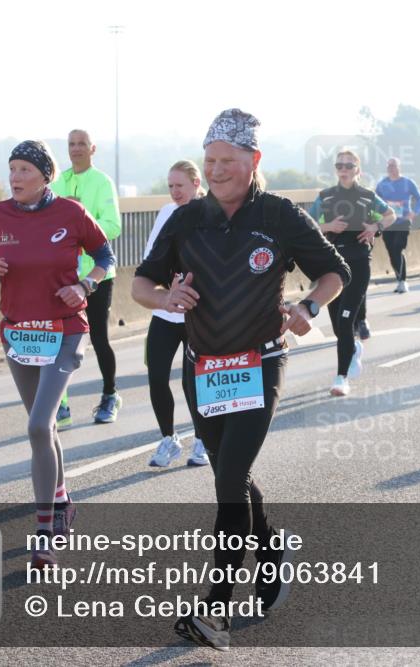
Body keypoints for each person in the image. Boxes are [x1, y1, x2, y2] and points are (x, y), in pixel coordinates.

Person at [132, 109, 349, 650]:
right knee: (231, 475)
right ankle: (270, 549)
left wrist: (309, 306)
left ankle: (215, 608)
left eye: (228, 160)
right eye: (210, 160)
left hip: (260, 362)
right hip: (203, 368)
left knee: (229, 480)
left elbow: (335, 271)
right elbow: (140, 283)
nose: (218, 169)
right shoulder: (187, 219)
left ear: (254, 162)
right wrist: (165, 298)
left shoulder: (279, 215)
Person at [0, 140, 115, 567]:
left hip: (64, 330)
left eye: (25, 169)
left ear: (46, 175)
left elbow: (105, 256)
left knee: (37, 425)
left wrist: (84, 286)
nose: (15, 177)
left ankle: (45, 532)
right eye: (12, 169)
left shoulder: (70, 213)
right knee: (44, 430)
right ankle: (63, 502)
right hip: (18, 335)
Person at [49, 129, 123, 426]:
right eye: (71, 144)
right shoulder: (56, 181)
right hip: (61, 277)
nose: (76, 149)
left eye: (82, 144)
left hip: (96, 275)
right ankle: (60, 403)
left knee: (98, 337)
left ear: (92, 149)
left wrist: (80, 227)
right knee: (57, 340)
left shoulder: (102, 182)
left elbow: (113, 225)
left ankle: (110, 395)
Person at [310, 150, 395, 397]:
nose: (343, 169)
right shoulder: (325, 197)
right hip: (332, 265)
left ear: (358, 170)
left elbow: (391, 215)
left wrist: (375, 227)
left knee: (347, 320)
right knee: (338, 326)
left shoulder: (368, 197)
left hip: (358, 263)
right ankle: (353, 347)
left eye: (349, 165)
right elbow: (308, 223)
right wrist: (328, 226)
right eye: (339, 165)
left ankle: (341, 378)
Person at [145, 161, 209, 467]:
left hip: (197, 313)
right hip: (166, 311)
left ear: (197, 183)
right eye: (170, 186)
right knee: (156, 376)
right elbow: (150, 257)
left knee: (191, 382)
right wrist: (166, 282)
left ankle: (202, 440)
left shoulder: (211, 212)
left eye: (180, 186)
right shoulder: (166, 212)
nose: (174, 192)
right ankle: (168, 439)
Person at [375, 157, 420, 293]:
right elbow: (374, 202)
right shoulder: (382, 185)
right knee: (392, 252)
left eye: (394, 166)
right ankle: (399, 279)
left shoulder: (407, 182)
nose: (391, 168)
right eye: (389, 166)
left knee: (397, 248)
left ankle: (403, 281)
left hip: (403, 221)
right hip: (387, 222)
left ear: (399, 167)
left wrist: (414, 213)